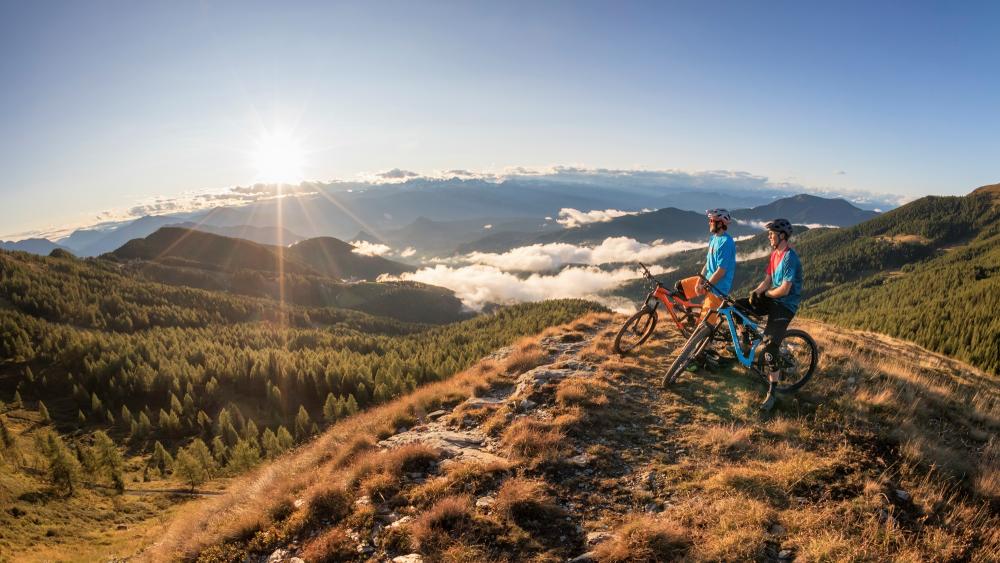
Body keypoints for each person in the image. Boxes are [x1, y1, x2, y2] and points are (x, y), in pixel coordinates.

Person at [735, 218, 802, 411]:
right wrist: (756, 293)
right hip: (773, 298)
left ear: (782, 236)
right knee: (738, 306)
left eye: (771, 233)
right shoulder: (775, 255)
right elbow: (767, 280)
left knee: (769, 351)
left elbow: (784, 290)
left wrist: (765, 294)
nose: (769, 236)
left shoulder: (790, 258)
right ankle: (745, 340)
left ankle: (772, 393)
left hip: (785, 306)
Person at [675, 209, 736, 326]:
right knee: (680, 287)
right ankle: (691, 318)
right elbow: (708, 264)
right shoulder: (714, 238)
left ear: (721, 223)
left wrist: (706, 286)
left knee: (704, 325)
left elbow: (721, 271)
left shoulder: (726, 242)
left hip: (718, 289)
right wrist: (699, 281)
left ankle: (703, 331)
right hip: (707, 281)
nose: (709, 222)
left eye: (712, 220)